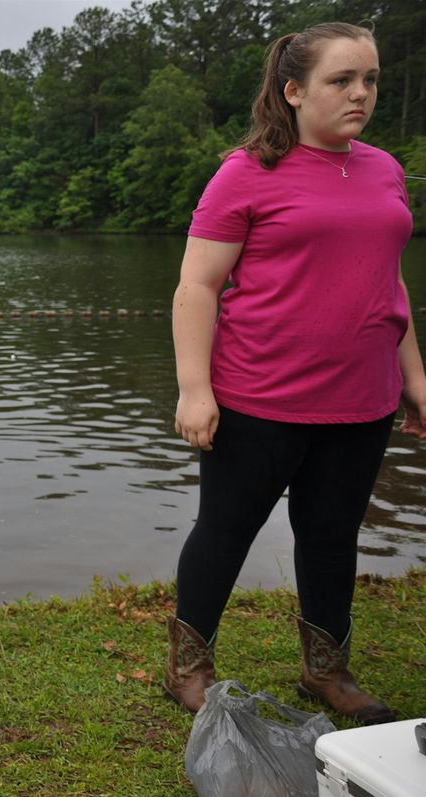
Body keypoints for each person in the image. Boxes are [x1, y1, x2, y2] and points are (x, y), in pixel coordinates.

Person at [167, 22, 425, 725]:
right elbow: (197, 286)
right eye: (342, 80)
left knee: (332, 533)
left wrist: (414, 375)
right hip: (258, 397)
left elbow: (387, 281)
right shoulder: (247, 171)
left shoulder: (383, 168)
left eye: (370, 79)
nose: (362, 94)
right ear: (293, 90)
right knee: (225, 529)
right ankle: (189, 667)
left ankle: (326, 669)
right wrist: (196, 388)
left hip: (362, 400)